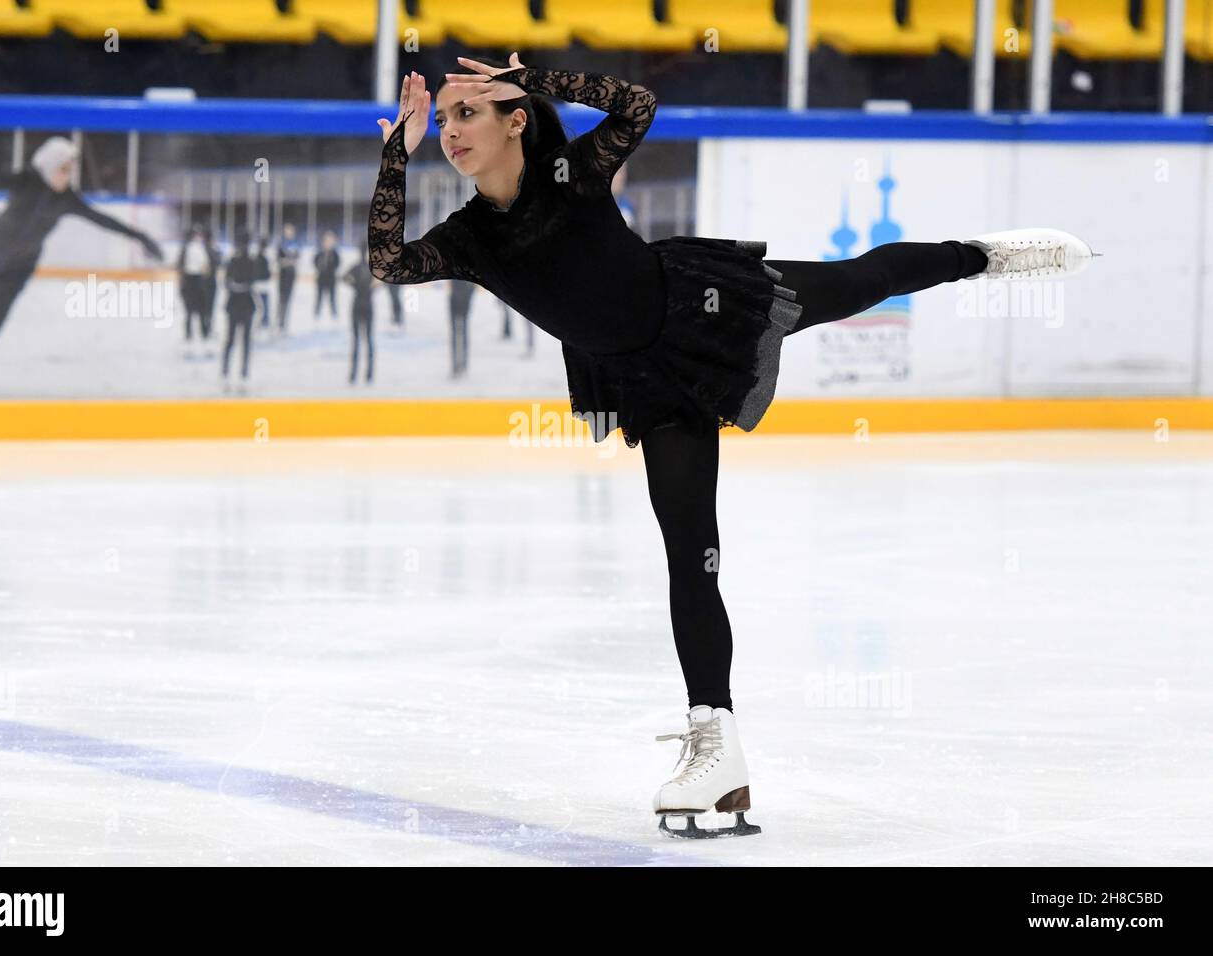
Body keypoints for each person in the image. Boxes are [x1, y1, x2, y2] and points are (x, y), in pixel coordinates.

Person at [368, 57, 1098, 838]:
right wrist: (394, 156)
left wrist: (538, 77)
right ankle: (717, 746)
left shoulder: (568, 171)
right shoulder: (470, 238)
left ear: (515, 119)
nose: (451, 133)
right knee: (692, 556)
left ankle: (984, 256)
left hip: (704, 306)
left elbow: (637, 105)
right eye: (442, 120)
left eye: (467, 113)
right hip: (647, 383)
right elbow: (387, 261)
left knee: (860, 279)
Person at [0, 136, 163, 396]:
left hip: (19, 267)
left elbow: (103, 220)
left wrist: (142, 237)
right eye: (64, 169)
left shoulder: (67, 199)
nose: (68, 176)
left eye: (71, 170)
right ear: (49, 165)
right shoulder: (26, 180)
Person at [221, 228, 257, 393]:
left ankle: (243, 370)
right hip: (236, 304)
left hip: (244, 304)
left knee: (244, 340)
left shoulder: (249, 261)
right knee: (232, 339)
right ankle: (226, 369)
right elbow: (227, 282)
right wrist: (236, 286)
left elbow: (251, 280)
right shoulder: (232, 261)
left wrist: (238, 286)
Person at [343, 239, 377, 384]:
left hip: (358, 304)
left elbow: (344, 278)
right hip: (366, 305)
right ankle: (368, 374)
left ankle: (355, 374)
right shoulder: (374, 268)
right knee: (367, 340)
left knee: (358, 341)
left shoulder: (356, 267)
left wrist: (354, 285)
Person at [178, 223, 216, 350]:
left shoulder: (201, 249)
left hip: (197, 282)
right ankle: (191, 336)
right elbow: (181, 267)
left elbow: (206, 267)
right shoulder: (188, 249)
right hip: (192, 282)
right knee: (191, 312)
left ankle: (203, 334)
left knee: (199, 312)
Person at [276, 223, 299, 335]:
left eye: (291, 230)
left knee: (287, 300)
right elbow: (279, 260)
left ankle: (284, 324)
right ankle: (279, 323)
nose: (289, 232)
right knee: (281, 299)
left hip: (291, 274)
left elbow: (296, 260)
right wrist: (287, 262)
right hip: (283, 274)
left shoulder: (296, 245)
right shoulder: (281, 244)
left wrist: (290, 262)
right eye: (287, 230)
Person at [448, 278, 474, 378]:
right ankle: (457, 364)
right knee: (457, 334)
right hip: (455, 300)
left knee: (461, 333)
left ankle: (462, 364)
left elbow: (472, 288)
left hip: (462, 301)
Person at [313, 230, 340, 320]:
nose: (328, 243)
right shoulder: (319, 252)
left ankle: (334, 313)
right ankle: (316, 313)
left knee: (332, 297)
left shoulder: (335, 253)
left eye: (330, 241)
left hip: (331, 278)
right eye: (327, 241)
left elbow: (337, 264)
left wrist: (330, 269)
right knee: (319, 296)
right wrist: (320, 268)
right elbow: (314, 262)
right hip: (321, 277)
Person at [252, 234, 273, 335]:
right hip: (260, 284)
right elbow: (264, 272)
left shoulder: (261, 256)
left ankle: (264, 321)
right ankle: (262, 322)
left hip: (262, 284)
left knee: (264, 305)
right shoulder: (260, 257)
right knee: (261, 305)